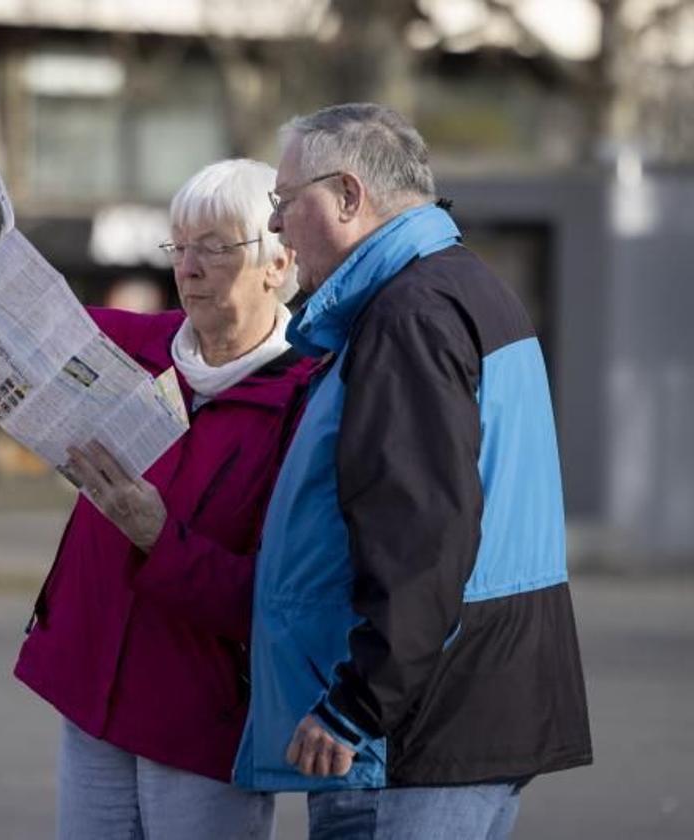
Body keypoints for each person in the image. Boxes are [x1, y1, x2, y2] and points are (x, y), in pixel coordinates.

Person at [0, 159, 327, 839]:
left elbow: (280, 598)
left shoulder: (308, 399)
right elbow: (20, 313)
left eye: (216, 247)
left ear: (279, 263)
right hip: (91, 692)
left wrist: (159, 537)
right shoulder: (137, 344)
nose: (188, 267)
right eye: (180, 246)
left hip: (199, 716)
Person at [233, 103, 593, 838]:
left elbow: (424, 533)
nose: (274, 227)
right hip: (473, 699)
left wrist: (357, 703)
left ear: (347, 197)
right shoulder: (462, 285)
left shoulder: (408, 315)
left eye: (283, 201)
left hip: (422, 722)